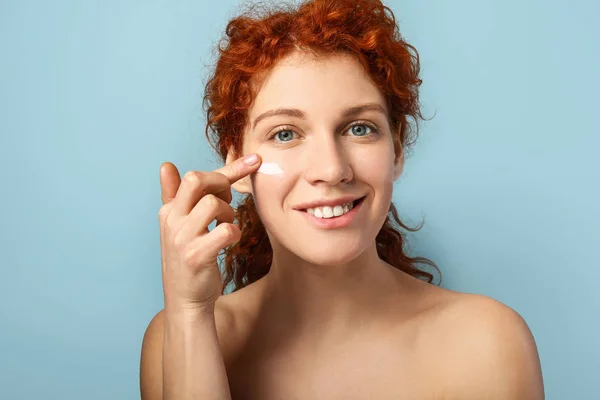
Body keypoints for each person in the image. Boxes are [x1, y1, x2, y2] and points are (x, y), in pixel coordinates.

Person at [140, 0, 544, 398]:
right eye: (285, 133)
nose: (331, 170)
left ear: (397, 151)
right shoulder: (178, 336)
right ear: (235, 163)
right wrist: (191, 316)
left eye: (359, 128)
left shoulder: (486, 344)